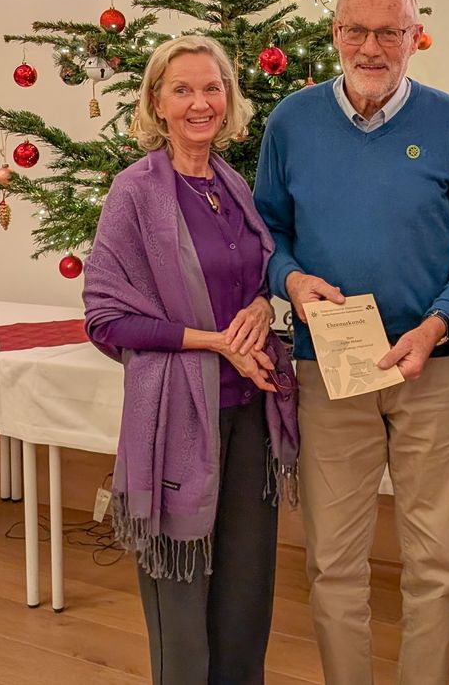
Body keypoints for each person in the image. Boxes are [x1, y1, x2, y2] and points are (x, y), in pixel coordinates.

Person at [254, 0, 449, 685]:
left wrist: (437, 325)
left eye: (390, 31)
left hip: (433, 368)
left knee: (436, 563)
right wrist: (291, 280)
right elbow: (267, 234)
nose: (371, 47)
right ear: (335, 34)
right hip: (330, 370)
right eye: (356, 30)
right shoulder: (291, 123)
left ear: (415, 37)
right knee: (333, 563)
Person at [83, 34, 299, 685]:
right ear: (157, 102)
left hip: (251, 413)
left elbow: (255, 279)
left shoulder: (232, 186)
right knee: (181, 604)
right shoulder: (136, 192)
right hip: (179, 418)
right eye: (182, 90)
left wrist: (260, 307)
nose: (199, 103)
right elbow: (105, 317)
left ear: (228, 98)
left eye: (212, 88)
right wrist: (214, 343)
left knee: (245, 593)